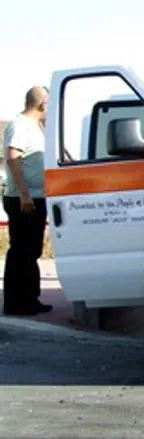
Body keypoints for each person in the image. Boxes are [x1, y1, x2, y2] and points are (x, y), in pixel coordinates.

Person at [2, 85, 52, 316]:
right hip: (24, 199)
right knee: (21, 251)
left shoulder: (35, 126)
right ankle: (16, 302)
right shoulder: (20, 125)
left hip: (34, 197)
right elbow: (13, 157)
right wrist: (25, 194)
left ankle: (30, 298)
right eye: (49, 103)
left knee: (31, 251)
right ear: (42, 103)